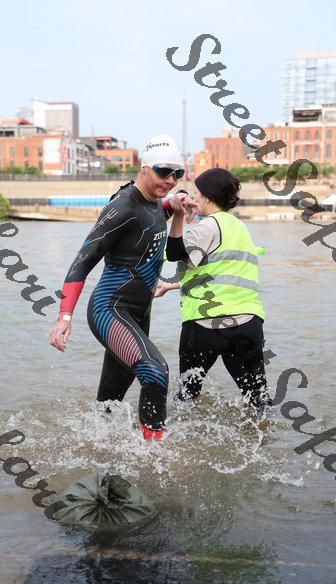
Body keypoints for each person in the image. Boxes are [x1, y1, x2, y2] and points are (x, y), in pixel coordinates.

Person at [49, 134, 199, 440]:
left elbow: (153, 215)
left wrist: (177, 200)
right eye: (163, 172)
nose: (170, 180)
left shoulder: (154, 202)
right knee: (156, 374)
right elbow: (82, 262)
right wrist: (64, 317)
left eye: (177, 173)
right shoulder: (122, 206)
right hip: (110, 310)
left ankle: (93, 448)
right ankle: (156, 457)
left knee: (109, 404)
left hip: (138, 314)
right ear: (144, 168)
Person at [156, 167, 270, 409]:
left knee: (186, 400)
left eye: (197, 193)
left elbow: (174, 252)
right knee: (258, 402)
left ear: (207, 197)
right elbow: (220, 275)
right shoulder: (240, 228)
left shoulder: (209, 225)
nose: (194, 198)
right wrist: (172, 285)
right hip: (246, 324)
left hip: (204, 326)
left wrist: (178, 215)